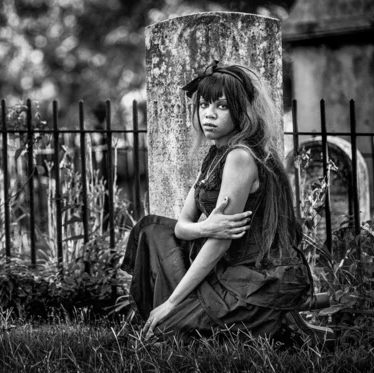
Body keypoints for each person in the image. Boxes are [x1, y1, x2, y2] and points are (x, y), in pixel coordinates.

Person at [121, 60, 318, 343]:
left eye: (221, 106)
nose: (209, 115)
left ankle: (179, 314)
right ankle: (173, 313)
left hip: (254, 277)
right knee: (152, 229)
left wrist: (173, 303)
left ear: (241, 111)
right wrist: (205, 228)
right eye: (203, 105)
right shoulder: (215, 155)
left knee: (168, 333)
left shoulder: (241, 156)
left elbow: (221, 241)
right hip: (226, 266)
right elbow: (182, 225)